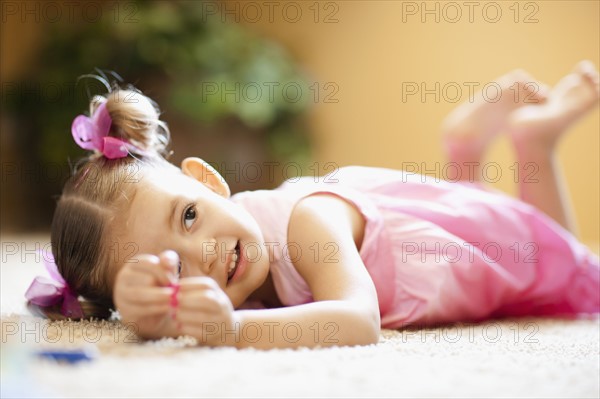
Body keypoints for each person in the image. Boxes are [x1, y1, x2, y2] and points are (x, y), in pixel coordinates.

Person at [26, 61, 600, 349]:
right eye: (174, 268)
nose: (204, 254)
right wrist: (154, 312)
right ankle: (465, 148)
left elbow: (359, 321)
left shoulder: (307, 224)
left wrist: (231, 332)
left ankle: (534, 141)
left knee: (563, 261)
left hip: (473, 246)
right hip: (425, 253)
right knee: (468, 219)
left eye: (190, 216)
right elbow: (174, 307)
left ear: (207, 181)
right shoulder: (231, 268)